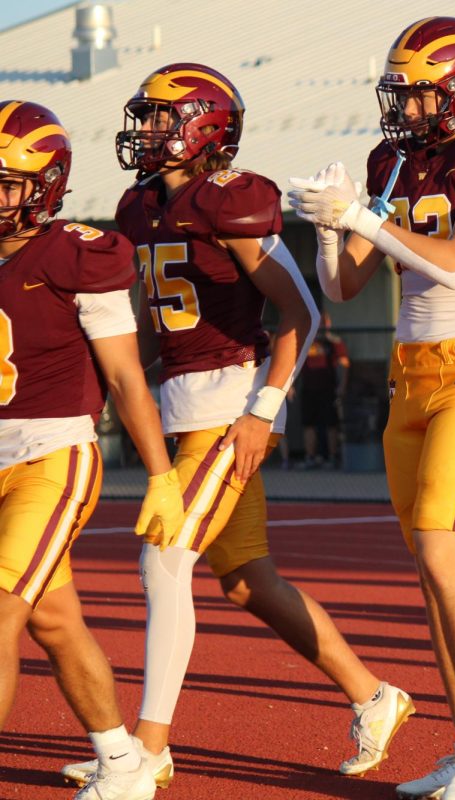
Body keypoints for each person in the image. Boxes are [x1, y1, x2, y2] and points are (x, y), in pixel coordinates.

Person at [60, 63, 412, 789]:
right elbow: (156, 328)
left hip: (233, 403)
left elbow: (304, 313)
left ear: (207, 127)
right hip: (185, 406)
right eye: (146, 117)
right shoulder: (138, 208)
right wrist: (99, 388)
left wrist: (261, 411)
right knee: (247, 578)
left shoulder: (231, 199)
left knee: (163, 558)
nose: (147, 131)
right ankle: (374, 695)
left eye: (163, 117)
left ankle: (148, 747)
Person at [287, 17, 455, 800]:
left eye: (418, 90)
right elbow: (344, 288)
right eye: (395, 89)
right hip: (410, 371)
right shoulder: (394, 161)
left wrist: (363, 218)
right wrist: (335, 230)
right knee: (433, 570)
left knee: (442, 551)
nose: (401, 104)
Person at [0, 100, 185, 800]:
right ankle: (122, 760)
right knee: (53, 620)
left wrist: (161, 476)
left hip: (54, 455)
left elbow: (126, 376)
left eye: (7, 182)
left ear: (46, 185)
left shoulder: (80, 251)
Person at [299, 311, 350, 469]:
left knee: (331, 424)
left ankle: (332, 457)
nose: (321, 326)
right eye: (319, 323)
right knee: (309, 424)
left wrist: (342, 386)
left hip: (328, 389)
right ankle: (310, 457)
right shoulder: (306, 341)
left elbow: (344, 364)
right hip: (308, 388)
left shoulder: (334, 342)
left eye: (324, 323)